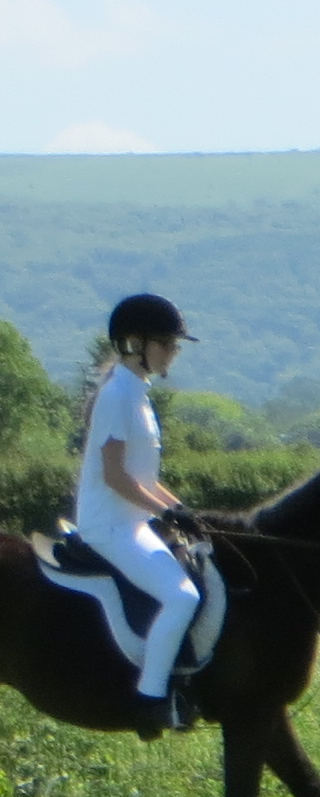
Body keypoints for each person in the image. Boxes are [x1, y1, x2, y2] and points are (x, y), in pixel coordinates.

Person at [76, 293, 201, 732]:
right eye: (166, 343)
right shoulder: (118, 396)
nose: (173, 352)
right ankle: (150, 699)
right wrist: (165, 514)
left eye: (174, 344)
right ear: (134, 343)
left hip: (131, 521)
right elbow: (115, 476)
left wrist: (179, 509)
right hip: (108, 524)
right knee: (183, 596)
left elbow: (144, 478)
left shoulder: (138, 394)